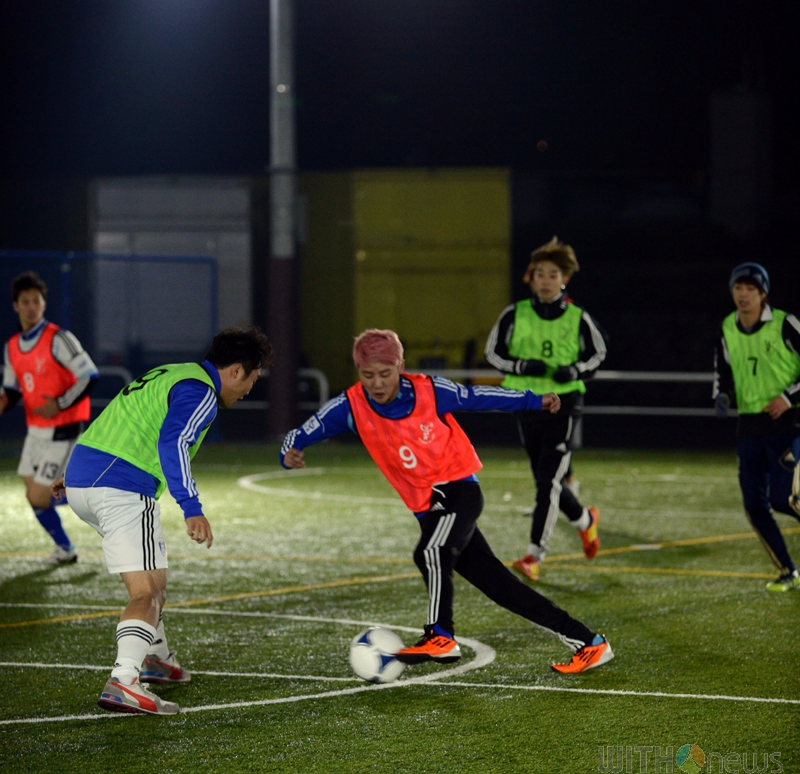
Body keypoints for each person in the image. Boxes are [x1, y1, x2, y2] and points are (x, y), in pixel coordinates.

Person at [281, 328, 614, 675]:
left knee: (430, 551)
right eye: (368, 375)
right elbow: (301, 433)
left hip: (458, 492)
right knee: (502, 587)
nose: (377, 383)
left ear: (401, 367)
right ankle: (589, 642)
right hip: (429, 510)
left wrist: (533, 399)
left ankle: (440, 635)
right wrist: (289, 452)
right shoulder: (350, 406)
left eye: (385, 373)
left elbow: (478, 396)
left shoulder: (430, 390)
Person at [52, 325, 275, 715]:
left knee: (154, 579)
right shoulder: (201, 392)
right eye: (253, 379)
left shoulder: (174, 373)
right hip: (121, 485)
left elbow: (121, 418)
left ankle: (158, 659)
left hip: (88, 477)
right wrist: (191, 506)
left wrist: (76, 474)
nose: (248, 390)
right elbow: (173, 442)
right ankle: (124, 681)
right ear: (237, 370)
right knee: (147, 593)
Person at [485, 236, 607, 580]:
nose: (546, 280)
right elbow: (492, 352)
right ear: (531, 277)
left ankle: (534, 555)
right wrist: (521, 366)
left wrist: (576, 371)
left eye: (553, 274)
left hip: (564, 402)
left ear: (564, 278)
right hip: (526, 401)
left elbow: (598, 353)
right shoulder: (515, 313)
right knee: (545, 478)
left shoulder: (578, 317)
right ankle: (585, 520)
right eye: (540, 273)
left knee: (548, 481)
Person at [0, 270, 99, 564]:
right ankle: (66, 549)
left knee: (40, 496)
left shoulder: (59, 338)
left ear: (44, 304)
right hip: (36, 431)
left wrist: (60, 403)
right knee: (32, 495)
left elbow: (89, 375)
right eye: (25, 301)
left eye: (37, 301)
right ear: (16, 306)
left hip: (63, 429)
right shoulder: (11, 347)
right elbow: (11, 391)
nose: (31, 307)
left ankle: (95, 494)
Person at [713, 262, 800, 592]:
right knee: (753, 505)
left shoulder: (786, 323)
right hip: (749, 428)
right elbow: (723, 371)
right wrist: (722, 394)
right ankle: (788, 571)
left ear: (763, 294)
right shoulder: (727, 326)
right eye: (738, 288)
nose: (743, 294)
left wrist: (788, 398)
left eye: (750, 289)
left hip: (788, 424)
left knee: (785, 499)